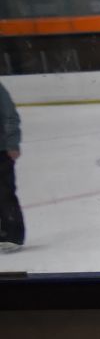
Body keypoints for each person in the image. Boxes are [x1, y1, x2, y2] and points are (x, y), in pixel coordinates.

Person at [0, 77, 22, 251]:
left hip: (1, 150)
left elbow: (10, 115)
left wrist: (12, 143)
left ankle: (12, 235)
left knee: (5, 193)